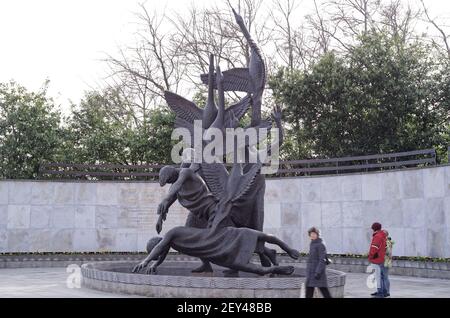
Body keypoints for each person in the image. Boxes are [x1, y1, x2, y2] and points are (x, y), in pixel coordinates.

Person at [305, 227, 332, 298]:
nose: (312, 235)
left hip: (318, 273)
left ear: (317, 234)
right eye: (311, 234)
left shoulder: (320, 244)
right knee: (309, 291)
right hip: (311, 273)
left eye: (314, 234)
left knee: (324, 291)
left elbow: (322, 260)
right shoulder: (312, 244)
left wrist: (318, 272)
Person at [368, 222, 387, 298]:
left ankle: (380, 293)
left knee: (378, 276)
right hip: (381, 258)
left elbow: (374, 248)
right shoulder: (382, 235)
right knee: (381, 276)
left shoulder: (377, 236)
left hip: (376, 259)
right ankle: (383, 291)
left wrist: (371, 256)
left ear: (374, 228)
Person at [382, 230, 394, 298]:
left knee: (385, 277)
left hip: (385, 261)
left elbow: (388, 252)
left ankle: (387, 292)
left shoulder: (387, 242)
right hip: (384, 261)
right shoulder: (386, 241)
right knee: (383, 277)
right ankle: (384, 291)